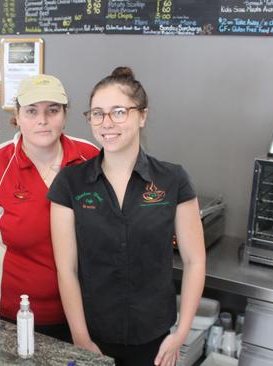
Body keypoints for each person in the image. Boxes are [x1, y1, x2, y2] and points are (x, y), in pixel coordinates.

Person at [48, 67, 206, 366]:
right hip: (93, 335)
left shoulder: (173, 179)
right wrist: (81, 338)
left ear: (142, 116)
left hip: (154, 339)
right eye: (97, 113)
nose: (107, 123)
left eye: (119, 112)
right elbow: (66, 269)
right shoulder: (71, 182)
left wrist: (181, 332)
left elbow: (195, 260)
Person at [0, 74, 99, 341]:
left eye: (53, 110)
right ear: (17, 114)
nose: (43, 120)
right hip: (3, 317)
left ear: (65, 113)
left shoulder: (91, 159)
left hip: (75, 317)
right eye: (31, 111)